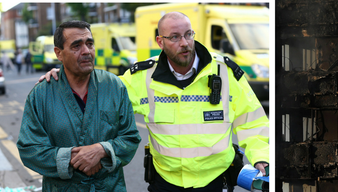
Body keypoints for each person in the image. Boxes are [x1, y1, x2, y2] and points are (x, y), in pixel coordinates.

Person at [42, 12, 270, 191]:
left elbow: (252, 119)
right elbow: (102, 96)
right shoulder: (142, 76)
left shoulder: (225, 72)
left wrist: (263, 157)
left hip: (215, 181)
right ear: (160, 42)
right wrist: (65, 75)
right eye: (175, 37)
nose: (185, 43)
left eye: (189, 34)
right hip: (166, 183)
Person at [18, 21, 141, 191]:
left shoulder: (113, 85)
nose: (86, 51)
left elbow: (130, 137)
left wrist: (101, 150)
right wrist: (72, 158)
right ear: (58, 53)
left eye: (90, 44)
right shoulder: (41, 95)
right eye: (76, 46)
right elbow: (29, 149)